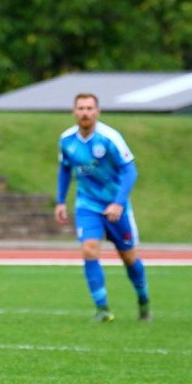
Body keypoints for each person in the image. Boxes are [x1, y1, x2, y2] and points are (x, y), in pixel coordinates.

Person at [55, 93, 151, 323]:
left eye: (89, 108)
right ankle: (103, 309)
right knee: (89, 250)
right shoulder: (67, 140)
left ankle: (143, 300)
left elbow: (130, 171)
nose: (85, 112)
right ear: (74, 112)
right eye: (81, 108)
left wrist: (118, 203)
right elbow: (65, 169)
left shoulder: (110, 138)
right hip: (87, 205)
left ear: (97, 112)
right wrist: (60, 201)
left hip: (115, 205)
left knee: (128, 257)